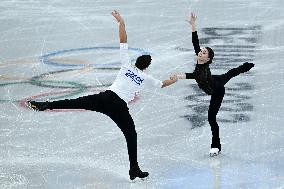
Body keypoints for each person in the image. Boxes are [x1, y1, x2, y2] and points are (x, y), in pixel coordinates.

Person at [28, 10, 178, 180]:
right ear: (147, 67)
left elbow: (123, 41)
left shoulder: (126, 65)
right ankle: (134, 169)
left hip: (105, 97)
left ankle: (45, 105)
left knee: (74, 102)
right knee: (131, 135)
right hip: (119, 106)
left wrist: (121, 22)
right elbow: (162, 84)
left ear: (136, 61)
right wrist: (174, 79)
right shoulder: (146, 78)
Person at [174, 13, 254, 157]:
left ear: (208, 58)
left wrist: (182, 76)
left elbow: (197, 76)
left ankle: (216, 145)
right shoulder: (201, 61)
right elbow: (195, 42)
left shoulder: (203, 69)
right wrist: (193, 24)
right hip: (213, 79)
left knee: (211, 118)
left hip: (217, 90)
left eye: (204, 52)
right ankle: (245, 67)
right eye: (201, 51)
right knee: (230, 73)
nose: (200, 52)